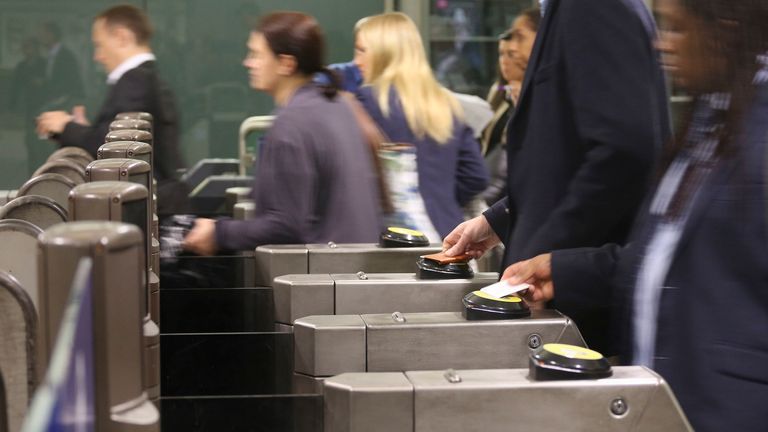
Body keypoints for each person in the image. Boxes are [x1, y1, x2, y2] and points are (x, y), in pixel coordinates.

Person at [501, 1, 768, 430]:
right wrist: (565, 270)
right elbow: (672, 259)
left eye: (677, 29)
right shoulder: (707, 120)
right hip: (661, 405)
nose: (661, 44)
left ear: (726, 29)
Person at [443, 0, 670, 349]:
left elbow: (623, 151)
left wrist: (543, 256)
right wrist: (499, 220)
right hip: (556, 294)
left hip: (575, 308)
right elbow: (565, 155)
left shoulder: (594, 7)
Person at [183, 12, 382, 255]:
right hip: (354, 268)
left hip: (326, 278)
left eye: (256, 54)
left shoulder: (293, 124)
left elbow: (286, 225)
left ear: (286, 63)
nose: (248, 62)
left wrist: (219, 233)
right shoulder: (336, 104)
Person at [36, 5, 187, 215]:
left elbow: (112, 147)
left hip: (156, 210)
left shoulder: (135, 80)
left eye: (99, 45)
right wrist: (84, 130)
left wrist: (65, 126)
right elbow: (113, 139)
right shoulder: (144, 78)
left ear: (121, 37)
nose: (97, 56)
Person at [353, 12, 488, 240]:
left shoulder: (365, 104)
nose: (356, 61)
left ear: (384, 52)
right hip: (448, 237)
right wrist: (438, 197)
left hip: (392, 242)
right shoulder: (446, 105)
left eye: (362, 50)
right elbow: (476, 175)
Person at [480, 8, 540, 206]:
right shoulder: (498, 92)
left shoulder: (538, 93)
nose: (506, 60)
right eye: (501, 54)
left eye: (520, 38)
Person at [37, 21, 84, 111]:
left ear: (51, 35)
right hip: (55, 100)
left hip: (65, 102)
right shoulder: (50, 56)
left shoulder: (65, 56)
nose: (41, 38)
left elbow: (70, 81)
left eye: (43, 35)